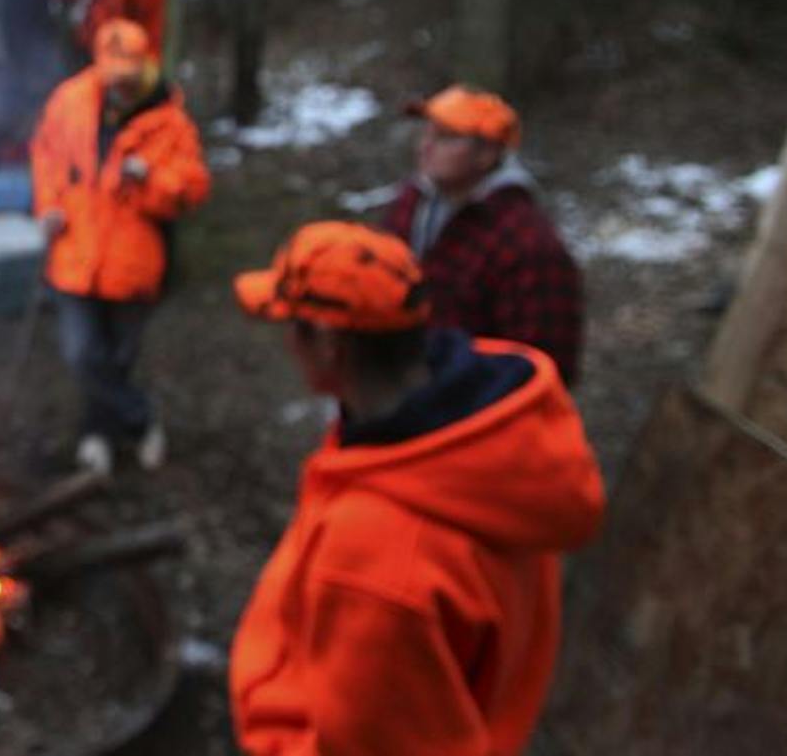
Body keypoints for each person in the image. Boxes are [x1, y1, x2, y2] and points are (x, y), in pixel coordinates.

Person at [228, 221, 605, 754]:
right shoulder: (493, 443)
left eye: (291, 325)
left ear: (330, 344)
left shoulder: (381, 560)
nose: (287, 344)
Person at [29, 16, 211, 474]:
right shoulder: (70, 101)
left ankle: (98, 436)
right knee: (82, 353)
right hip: (73, 252)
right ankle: (141, 419)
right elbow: (47, 157)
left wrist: (150, 179)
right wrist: (48, 206)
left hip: (134, 263)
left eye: (128, 82)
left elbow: (192, 189)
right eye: (112, 80)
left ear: (145, 69)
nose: (119, 90)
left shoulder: (170, 122)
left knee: (119, 357)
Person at [379, 84, 585, 383]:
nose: (426, 146)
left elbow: (542, 368)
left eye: (446, 137)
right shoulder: (410, 203)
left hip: (475, 413)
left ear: (487, 153)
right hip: (404, 399)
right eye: (427, 133)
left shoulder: (526, 242)